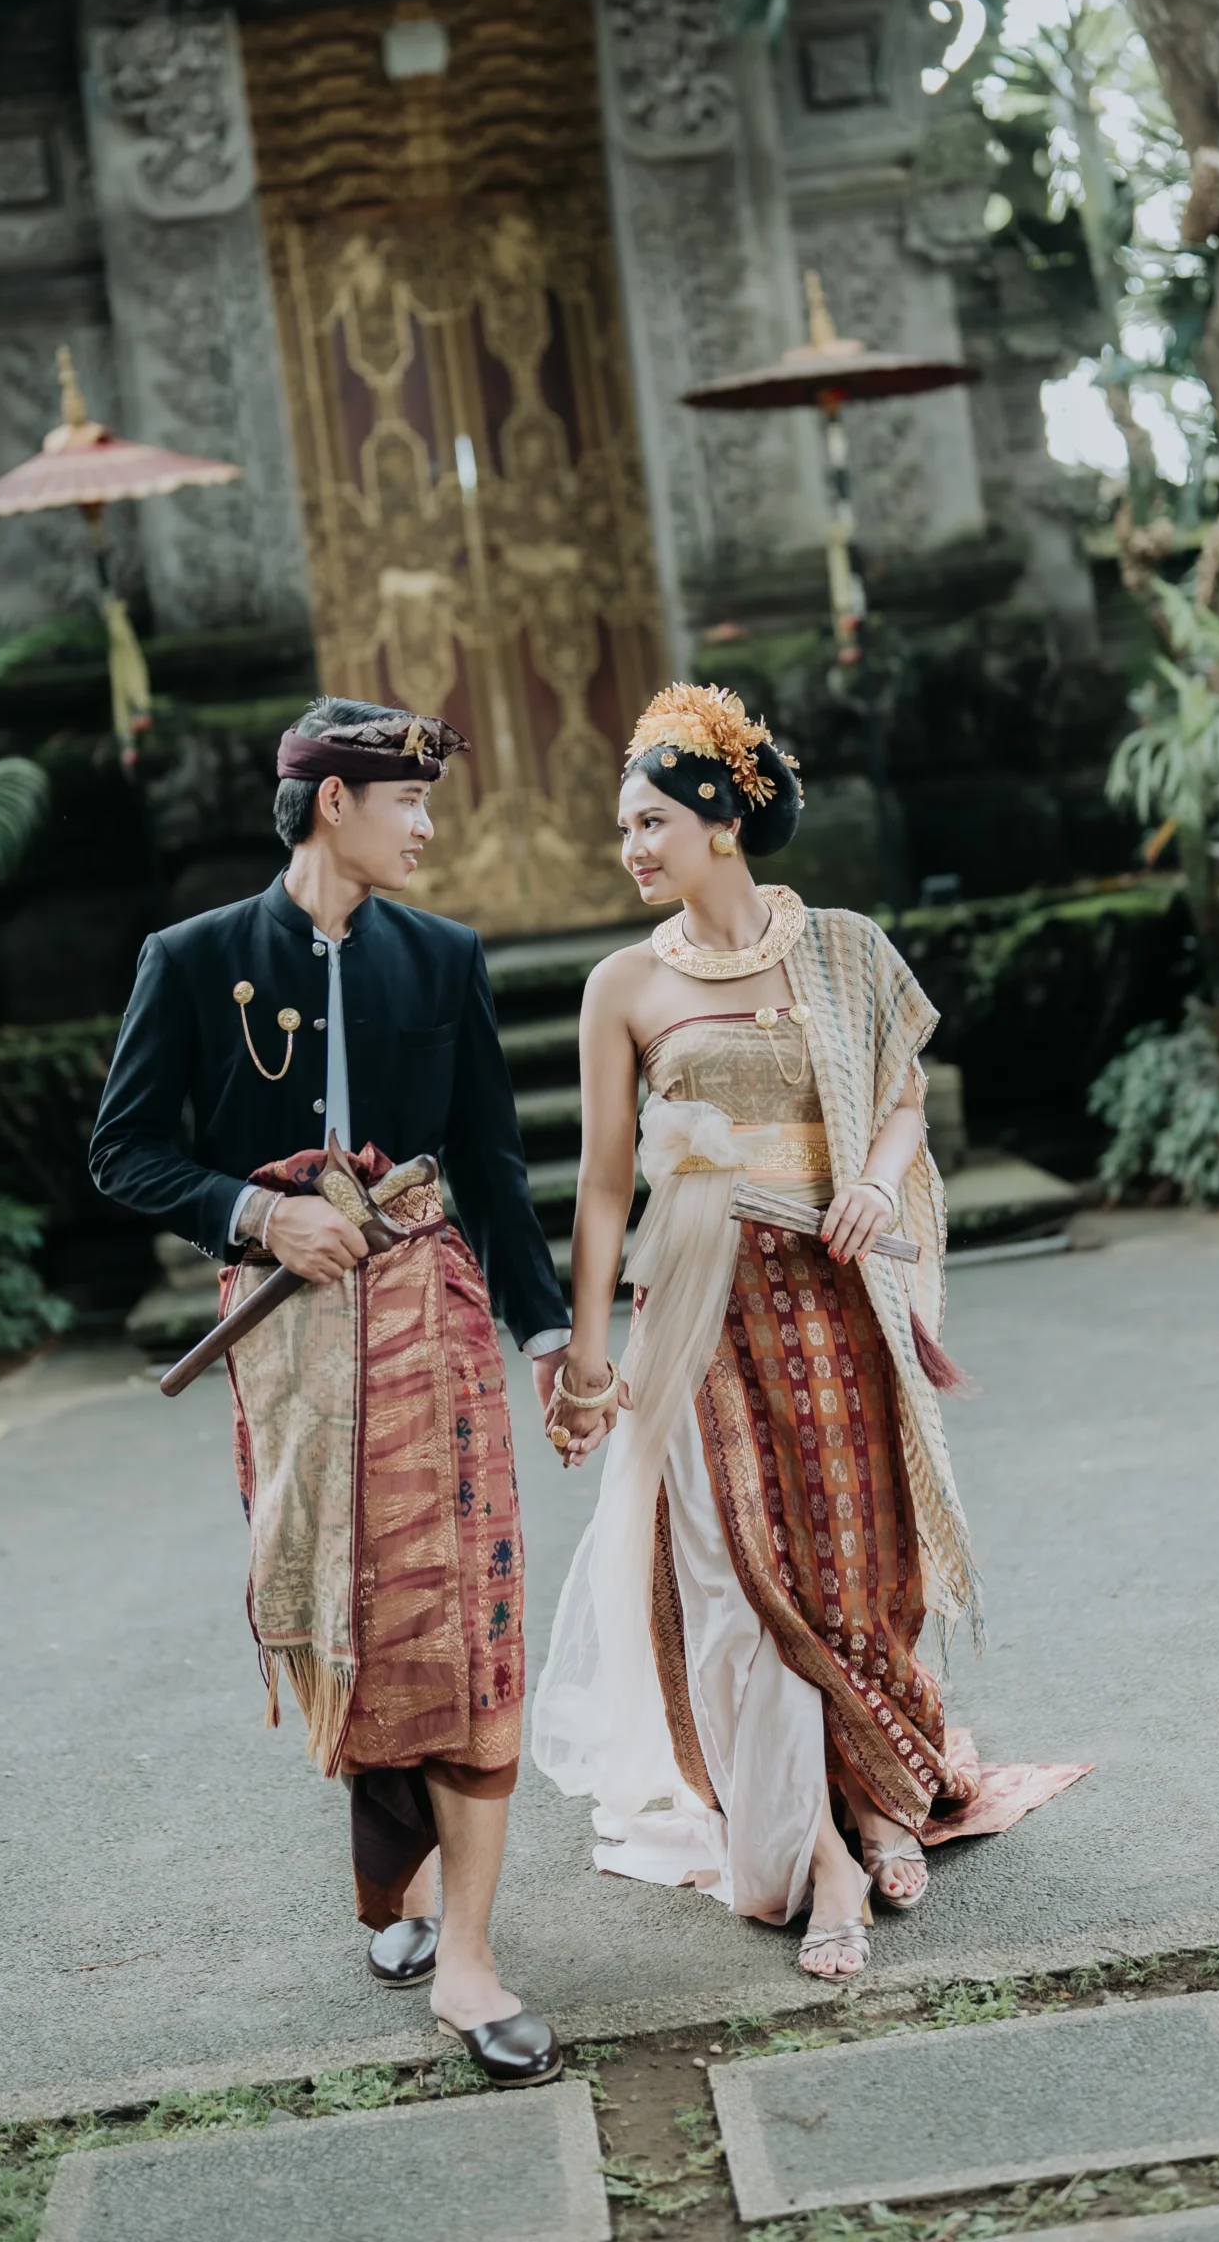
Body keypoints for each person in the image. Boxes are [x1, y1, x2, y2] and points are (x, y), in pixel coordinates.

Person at [90, 696, 570, 2084]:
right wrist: (255, 1213)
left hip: (435, 1331)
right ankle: (392, 1878)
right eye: (406, 803)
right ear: (331, 804)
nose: (425, 829)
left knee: (466, 1622)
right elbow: (126, 1153)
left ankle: (468, 1958)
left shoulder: (444, 958)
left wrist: (550, 1339)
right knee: (347, 1613)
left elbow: (494, 1168)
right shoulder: (193, 961)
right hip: (289, 1358)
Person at [531, 682, 991, 1983]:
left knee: (859, 1556)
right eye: (623, 827)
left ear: (721, 822)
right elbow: (603, 1185)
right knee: (744, 1572)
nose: (630, 847)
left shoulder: (840, 949)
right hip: (701, 1309)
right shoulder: (623, 986)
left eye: (650, 822)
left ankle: (881, 1797)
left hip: (839, 1299)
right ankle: (822, 1855)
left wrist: (873, 1182)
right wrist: (584, 1356)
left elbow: (899, 1096)